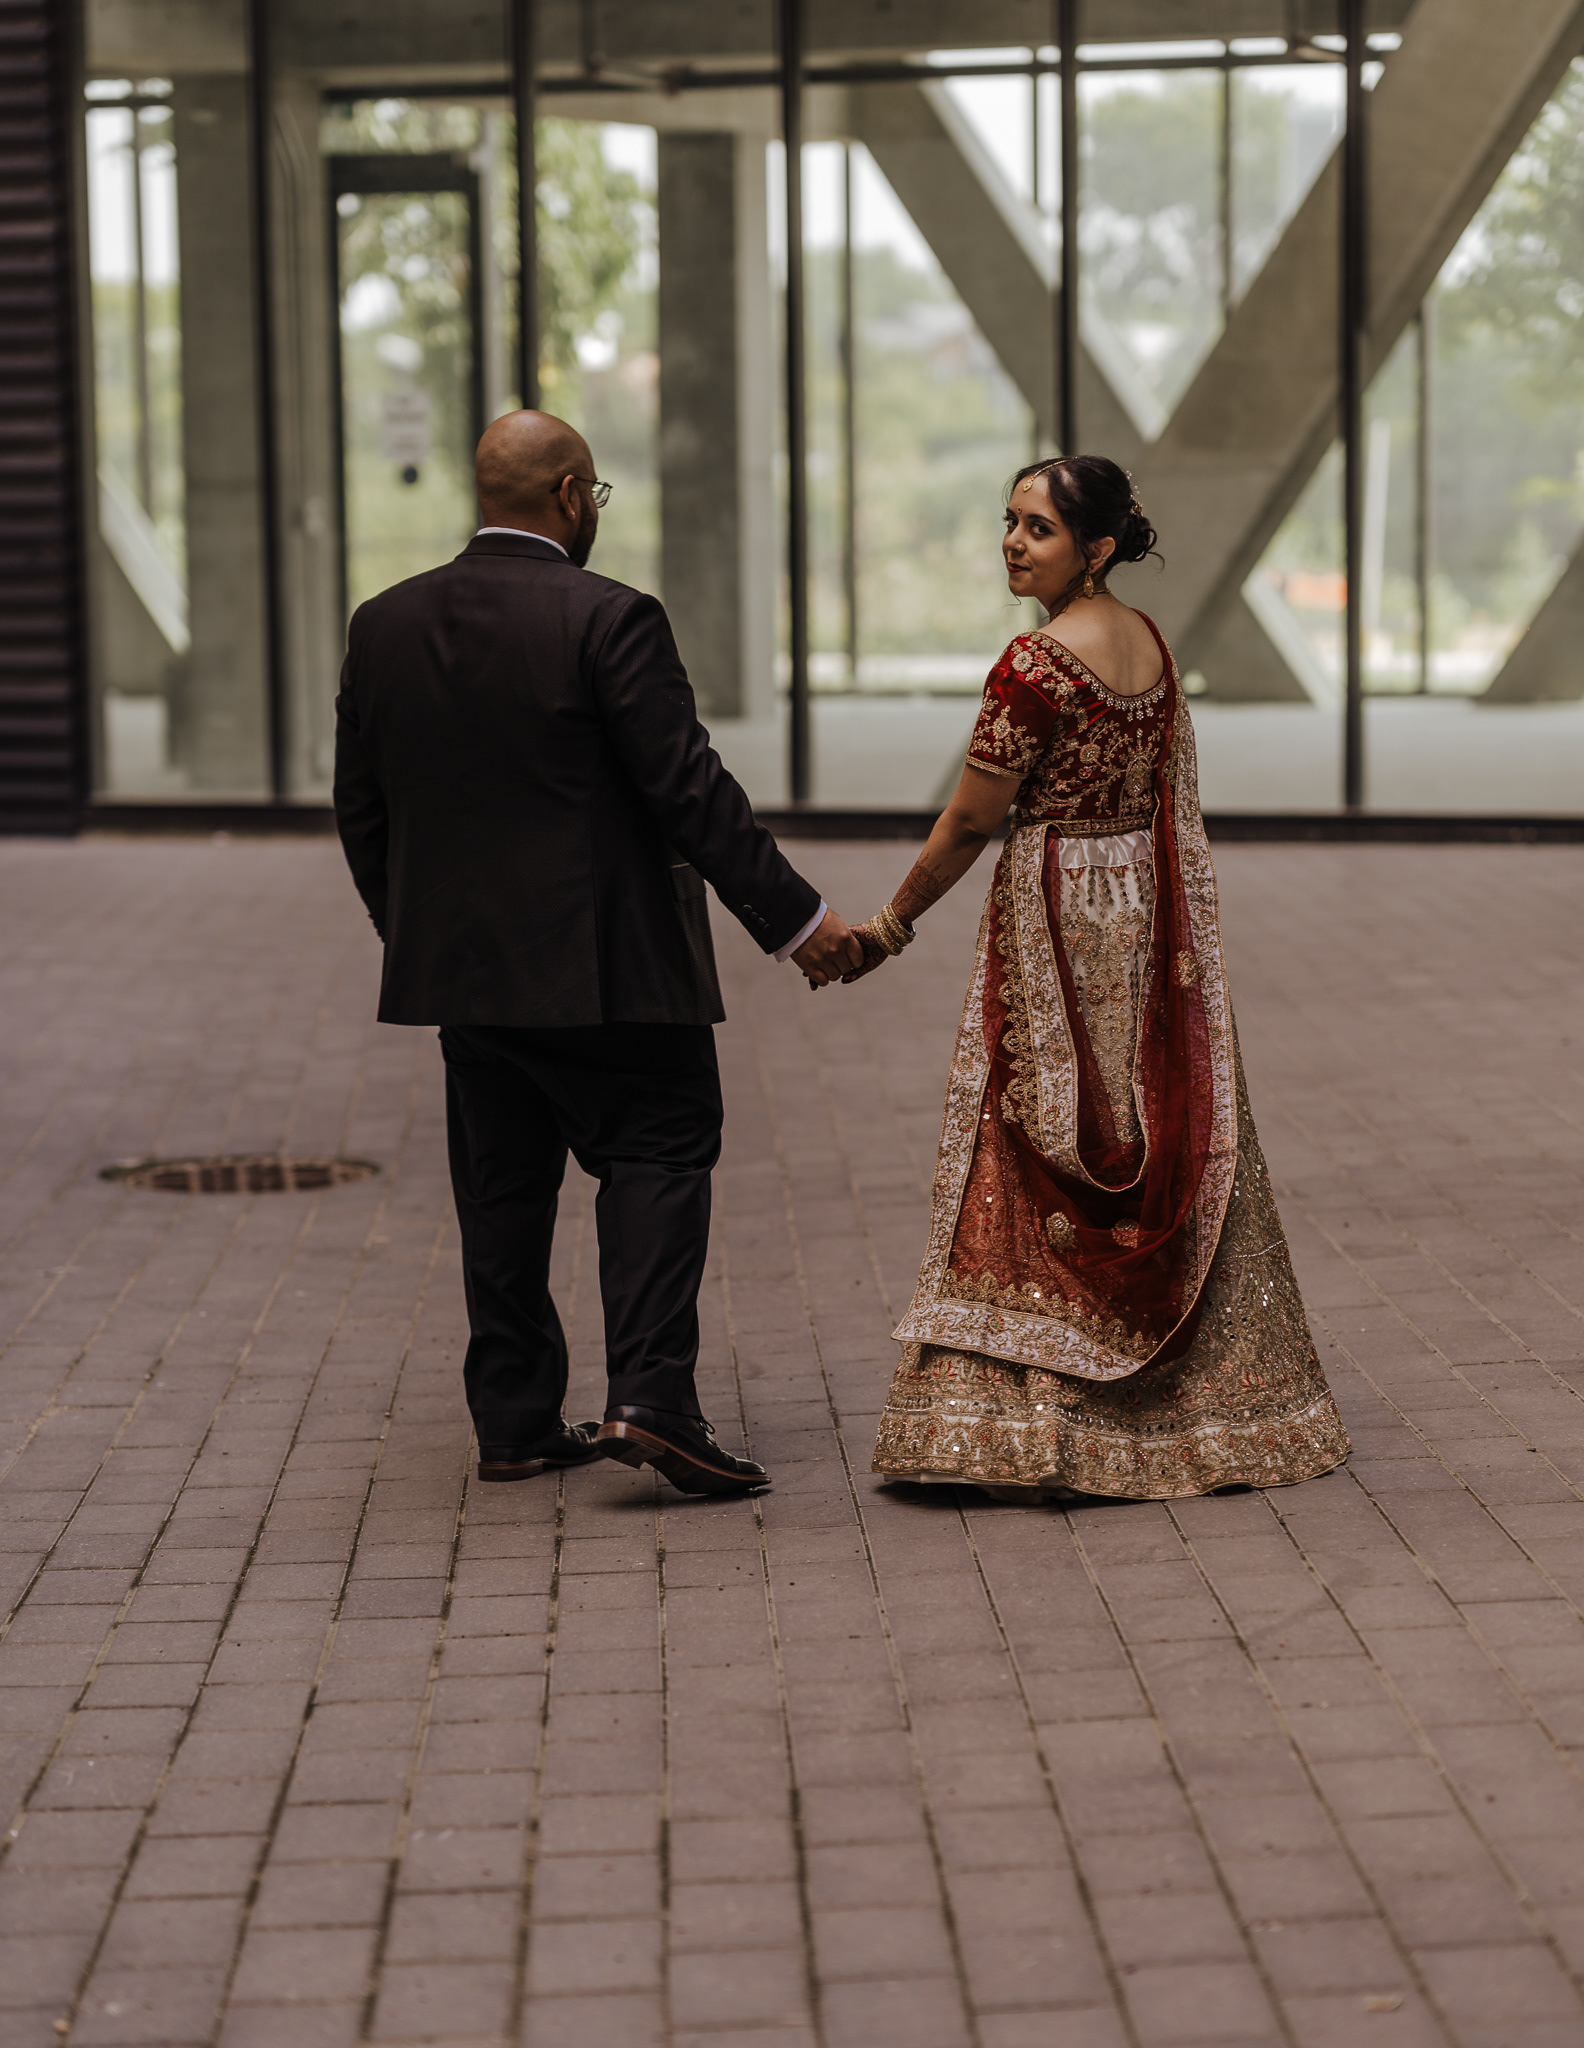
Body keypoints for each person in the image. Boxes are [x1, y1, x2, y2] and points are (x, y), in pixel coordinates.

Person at [333, 409, 862, 1496]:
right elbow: (688, 788)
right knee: (661, 1147)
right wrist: (801, 923)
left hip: (466, 976)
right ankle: (653, 1399)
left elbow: (362, 805)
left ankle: (515, 1421)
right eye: (596, 497)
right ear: (572, 495)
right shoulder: (611, 616)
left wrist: (419, 933)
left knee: (502, 1188)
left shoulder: (384, 622)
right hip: (612, 970)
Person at [845, 455, 1351, 1501]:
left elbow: (971, 821)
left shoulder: (1033, 666)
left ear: (1098, 548)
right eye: (1009, 521)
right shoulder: (1149, 646)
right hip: (1141, 917)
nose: (1012, 542)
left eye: (1037, 528)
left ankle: (1032, 1417)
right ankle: (1201, 1394)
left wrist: (889, 926)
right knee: (1146, 1127)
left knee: (1033, 1129)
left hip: (1058, 919)